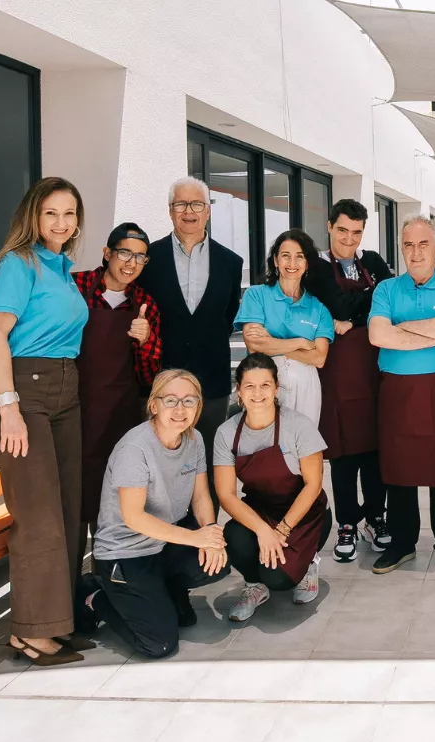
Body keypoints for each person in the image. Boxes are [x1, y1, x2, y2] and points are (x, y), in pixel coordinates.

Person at [0, 177, 92, 665]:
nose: (62, 223)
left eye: (69, 214)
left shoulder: (62, 268)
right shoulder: (17, 264)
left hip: (65, 389)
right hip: (23, 392)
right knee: (39, 515)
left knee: (68, 509)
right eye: (51, 213)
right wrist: (9, 408)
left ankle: (58, 621)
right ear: (33, 215)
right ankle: (29, 632)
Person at [78, 370, 230, 659]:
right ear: (153, 405)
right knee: (158, 644)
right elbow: (134, 518)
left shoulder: (194, 439)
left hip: (165, 542)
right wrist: (196, 538)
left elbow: (200, 497)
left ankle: (163, 591)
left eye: (189, 400)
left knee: (216, 563)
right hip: (126, 552)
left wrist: (209, 533)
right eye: (170, 400)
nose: (180, 409)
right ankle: (94, 595)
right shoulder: (135, 448)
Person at [367, 216, 435, 576]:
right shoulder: (385, 290)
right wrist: (432, 335)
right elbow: (378, 335)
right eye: (408, 244)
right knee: (398, 468)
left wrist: (402, 329)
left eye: (423, 243)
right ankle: (401, 543)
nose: (415, 251)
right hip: (397, 391)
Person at [137, 176, 243, 507]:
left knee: (208, 463)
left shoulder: (231, 263)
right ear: (170, 211)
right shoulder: (148, 260)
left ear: (207, 211)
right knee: (161, 463)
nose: (189, 212)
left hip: (211, 382)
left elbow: (226, 317)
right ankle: (165, 540)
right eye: (181, 204)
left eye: (197, 204)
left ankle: (204, 539)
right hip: (161, 380)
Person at [305, 199, 394, 562]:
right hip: (338, 374)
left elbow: (388, 299)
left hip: (374, 369)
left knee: (375, 450)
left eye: (356, 232)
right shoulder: (316, 267)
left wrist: (355, 320)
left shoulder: (372, 262)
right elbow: (337, 305)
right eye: (342, 230)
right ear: (329, 226)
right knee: (342, 453)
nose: (349, 239)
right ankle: (347, 523)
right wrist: (364, 306)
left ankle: (376, 516)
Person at [215, 354, 332, 622]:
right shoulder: (226, 433)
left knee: (279, 578)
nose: (258, 393)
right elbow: (226, 495)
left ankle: (308, 566)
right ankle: (255, 586)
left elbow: (313, 485)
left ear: (276, 388)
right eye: (249, 386)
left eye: (265, 385)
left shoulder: (299, 425)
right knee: (234, 535)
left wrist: (281, 529)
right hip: (259, 512)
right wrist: (263, 531)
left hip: (303, 515)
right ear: (239, 390)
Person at [73, 223, 162, 567]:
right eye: (124, 253)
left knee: (114, 498)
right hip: (74, 411)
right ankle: (70, 591)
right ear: (107, 253)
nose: (131, 263)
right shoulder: (75, 287)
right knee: (74, 500)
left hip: (120, 415)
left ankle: (107, 582)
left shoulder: (144, 304)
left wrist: (146, 341)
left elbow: (148, 376)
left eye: (140, 257)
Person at [234, 229, 334, 424]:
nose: (292, 264)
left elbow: (319, 357)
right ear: (276, 260)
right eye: (285, 256)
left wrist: (271, 342)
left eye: (299, 257)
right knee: (266, 444)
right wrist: (302, 342)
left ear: (307, 264)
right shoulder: (256, 295)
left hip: (307, 388)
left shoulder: (319, 309)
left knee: (303, 445)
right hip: (263, 384)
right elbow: (255, 345)